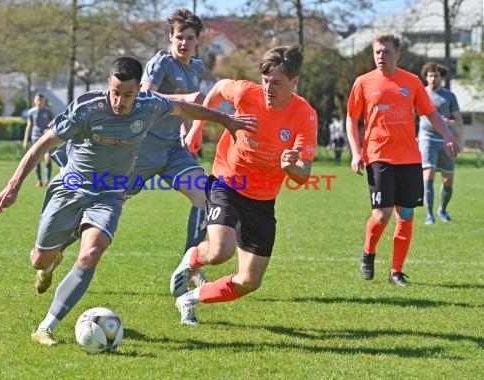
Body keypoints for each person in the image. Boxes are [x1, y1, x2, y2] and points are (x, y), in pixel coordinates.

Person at [0, 56, 257, 346]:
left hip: (110, 194)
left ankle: (46, 327)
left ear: (138, 90)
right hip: (71, 187)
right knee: (38, 259)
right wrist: (13, 186)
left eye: (127, 94)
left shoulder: (149, 104)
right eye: (116, 93)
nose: (120, 101)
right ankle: (50, 261)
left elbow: (184, 108)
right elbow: (42, 144)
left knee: (91, 252)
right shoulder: (87, 108)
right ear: (109, 85)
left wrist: (226, 119)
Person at [170, 46, 318, 325]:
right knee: (220, 251)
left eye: (277, 83)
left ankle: (189, 299)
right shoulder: (247, 93)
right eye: (265, 80)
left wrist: (290, 167)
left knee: (250, 281)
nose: (268, 88)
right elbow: (218, 89)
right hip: (227, 180)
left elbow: (303, 173)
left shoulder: (305, 115)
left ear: (294, 82)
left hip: (262, 199)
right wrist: (197, 128)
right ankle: (193, 258)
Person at [346, 33, 459, 287]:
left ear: (397, 54)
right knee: (383, 214)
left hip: (409, 157)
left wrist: (448, 135)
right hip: (378, 155)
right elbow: (352, 118)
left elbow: (430, 112)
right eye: (377, 52)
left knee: (405, 214)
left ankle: (396, 272)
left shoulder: (412, 82)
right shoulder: (363, 82)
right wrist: (355, 152)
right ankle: (368, 251)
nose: (381, 56)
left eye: (386, 52)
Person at [129, 9, 209, 289]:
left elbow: (181, 112)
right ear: (170, 38)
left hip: (173, 149)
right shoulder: (161, 62)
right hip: (144, 148)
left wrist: (187, 130)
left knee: (205, 195)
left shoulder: (197, 67)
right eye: (179, 37)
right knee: (109, 204)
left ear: (197, 41)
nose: (183, 43)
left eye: (189, 38)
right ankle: (57, 248)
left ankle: (190, 266)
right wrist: (185, 98)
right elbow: (144, 95)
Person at [418, 61, 463, 225]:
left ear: (441, 77)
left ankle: (442, 210)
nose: (432, 78)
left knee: (448, 180)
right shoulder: (420, 93)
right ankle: (430, 215)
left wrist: (448, 122)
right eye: (430, 75)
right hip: (426, 138)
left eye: (436, 76)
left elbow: (459, 120)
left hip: (445, 141)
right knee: (428, 174)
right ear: (426, 76)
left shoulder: (449, 96)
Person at [22, 92, 55, 187]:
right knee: (36, 159)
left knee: (48, 158)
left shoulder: (48, 112)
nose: (40, 102)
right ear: (35, 101)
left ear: (44, 101)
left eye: (41, 100)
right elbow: (29, 126)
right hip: (35, 137)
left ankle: (48, 180)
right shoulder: (31, 112)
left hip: (47, 138)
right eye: (38, 100)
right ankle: (39, 180)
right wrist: (25, 140)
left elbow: (53, 125)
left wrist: (49, 129)